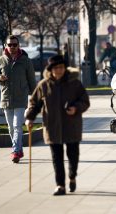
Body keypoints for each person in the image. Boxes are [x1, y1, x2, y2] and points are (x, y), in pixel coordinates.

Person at [25, 55, 90, 196]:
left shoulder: (75, 83)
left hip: (71, 125)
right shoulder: (44, 85)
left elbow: (85, 101)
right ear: (50, 70)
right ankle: (60, 185)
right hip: (52, 126)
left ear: (65, 68)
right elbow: (35, 103)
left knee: (73, 155)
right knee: (57, 158)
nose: (58, 70)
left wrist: (76, 108)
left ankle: (72, 176)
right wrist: (30, 117)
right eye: (55, 68)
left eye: (61, 67)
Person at [0, 35, 36, 163]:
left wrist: (35, 97)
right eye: (9, 45)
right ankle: (19, 148)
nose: (12, 47)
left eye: (14, 45)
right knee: (11, 128)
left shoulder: (26, 61)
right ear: (5, 45)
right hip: (6, 97)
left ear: (18, 45)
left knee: (17, 126)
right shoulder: (1, 60)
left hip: (20, 98)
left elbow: (32, 81)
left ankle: (16, 151)